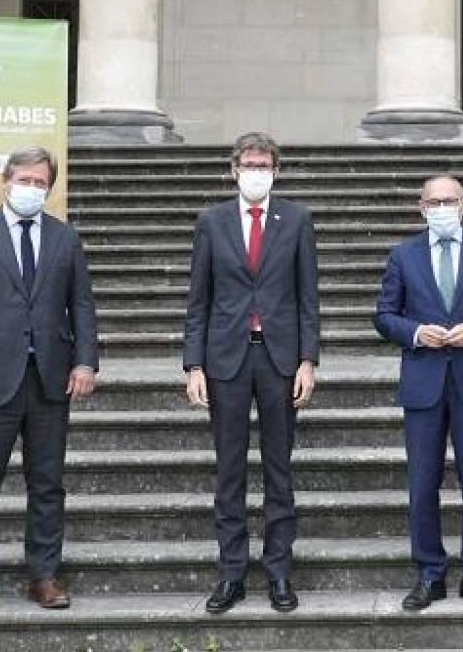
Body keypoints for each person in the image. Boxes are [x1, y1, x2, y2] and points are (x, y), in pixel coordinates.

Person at [0, 146, 98, 619]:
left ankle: (44, 576)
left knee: (47, 484)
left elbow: (82, 306)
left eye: (41, 182)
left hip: (50, 381)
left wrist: (86, 362)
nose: (33, 188)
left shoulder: (65, 239)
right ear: (6, 180)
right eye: (25, 179)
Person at [183, 132, 320, 614]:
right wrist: (193, 364)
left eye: (264, 164)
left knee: (279, 470)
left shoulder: (297, 220)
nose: (256, 171)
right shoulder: (212, 222)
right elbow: (198, 300)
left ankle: (280, 571)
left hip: (280, 359)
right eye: (249, 164)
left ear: (276, 171)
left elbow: (308, 298)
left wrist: (309, 360)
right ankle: (232, 574)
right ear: (233, 169)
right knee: (230, 471)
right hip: (226, 360)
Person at [373, 176, 463, 611]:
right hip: (423, 383)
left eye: (449, 200)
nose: (441, 206)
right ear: (421, 208)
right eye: (433, 201)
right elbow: (384, 315)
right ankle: (429, 574)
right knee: (422, 486)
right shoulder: (403, 255)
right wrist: (417, 332)